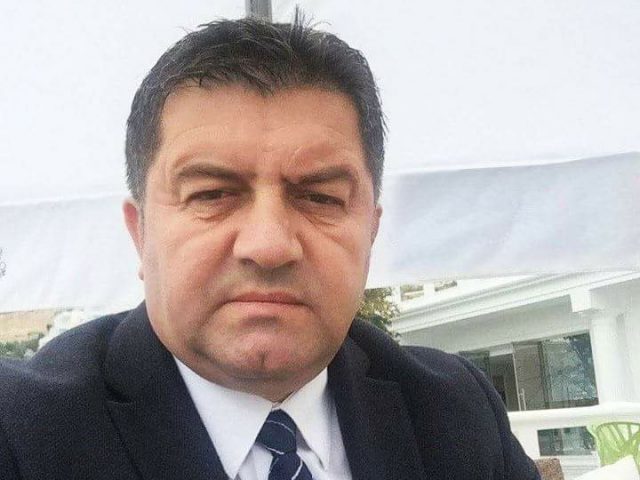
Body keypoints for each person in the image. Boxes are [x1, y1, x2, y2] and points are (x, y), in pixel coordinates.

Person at [0, 15, 540, 480]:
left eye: (321, 197)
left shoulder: (456, 413)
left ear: (371, 232)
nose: (269, 245)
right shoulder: (20, 432)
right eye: (212, 194)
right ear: (140, 233)